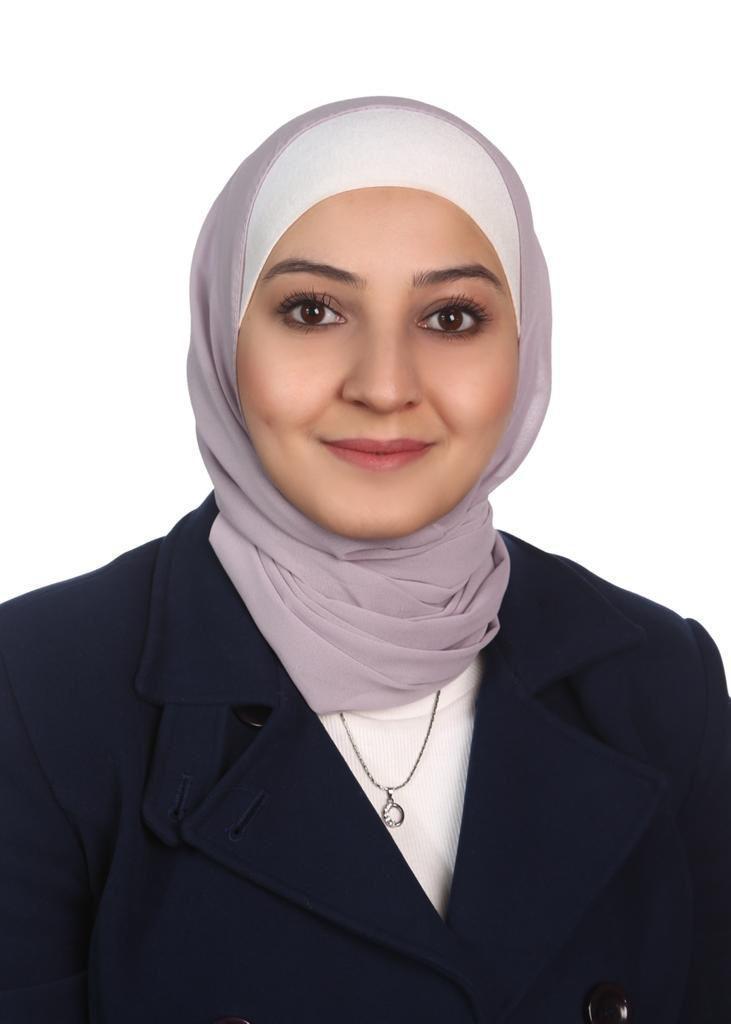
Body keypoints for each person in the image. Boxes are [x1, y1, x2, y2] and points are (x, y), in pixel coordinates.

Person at [0, 94, 728, 1024]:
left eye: (451, 318)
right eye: (312, 310)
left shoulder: (659, 680)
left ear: (525, 347)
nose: (384, 386)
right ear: (224, 336)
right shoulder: (37, 690)